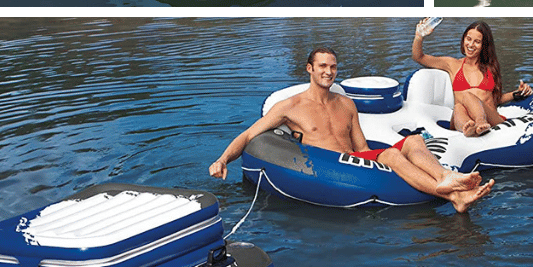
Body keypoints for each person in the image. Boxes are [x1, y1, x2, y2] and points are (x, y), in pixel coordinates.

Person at [209, 47, 494, 213]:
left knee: (414, 140)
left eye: (333, 67)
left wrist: (378, 158)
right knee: (394, 157)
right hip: (327, 166)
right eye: (322, 66)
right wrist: (223, 160)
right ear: (309, 68)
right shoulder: (289, 107)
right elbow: (249, 135)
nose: (328, 72)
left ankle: (446, 178)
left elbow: (361, 146)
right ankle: (451, 194)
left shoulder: (346, 104)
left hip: (356, 161)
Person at [412, 19, 533, 137]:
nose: (470, 44)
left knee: (467, 96)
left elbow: (493, 99)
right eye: (468, 39)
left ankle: (480, 122)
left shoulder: (490, 68)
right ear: (463, 39)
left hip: (490, 119)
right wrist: (419, 36)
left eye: (477, 41)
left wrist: (516, 94)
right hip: (462, 120)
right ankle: (470, 129)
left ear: (483, 45)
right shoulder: (453, 64)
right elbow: (419, 57)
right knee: (458, 107)